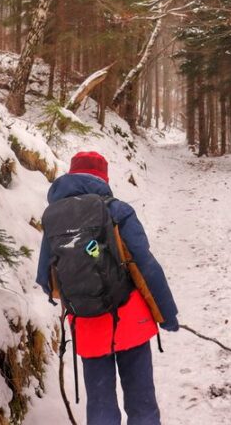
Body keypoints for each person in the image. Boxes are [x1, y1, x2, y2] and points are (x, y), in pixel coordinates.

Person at [36, 151, 179, 425]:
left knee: (101, 406)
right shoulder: (116, 210)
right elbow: (145, 266)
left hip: (88, 325)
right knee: (141, 403)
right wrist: (167, 314)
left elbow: (47, 279)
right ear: (103, 177)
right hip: (131, 321)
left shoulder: (55, 218)